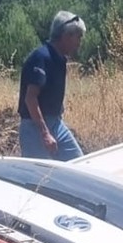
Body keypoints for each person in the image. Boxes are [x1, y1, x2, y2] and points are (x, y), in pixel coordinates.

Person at [18, 11, 86, 160]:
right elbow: (30, 99)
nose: (79, 42)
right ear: (66, 35)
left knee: (78, 163)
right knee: (39, 177)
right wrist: (45, 133)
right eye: (78, 37)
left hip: (56, 123)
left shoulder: (60, 59)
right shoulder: (41, 57)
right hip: (34, 128)